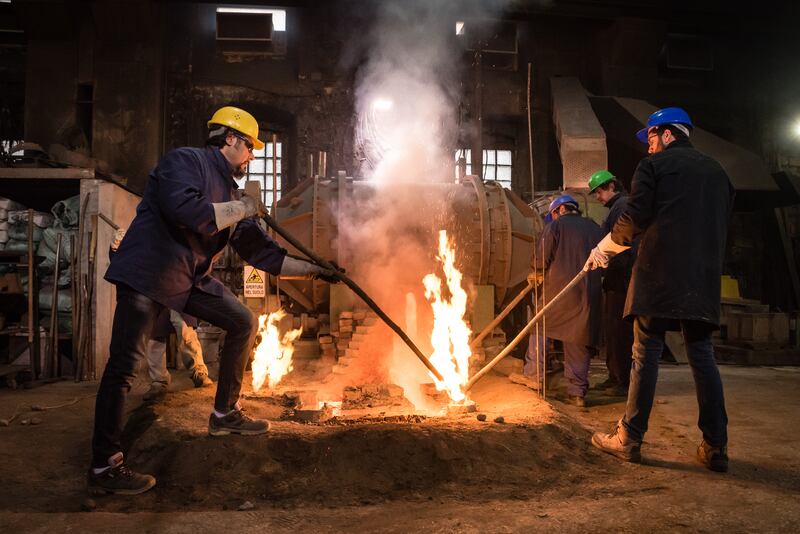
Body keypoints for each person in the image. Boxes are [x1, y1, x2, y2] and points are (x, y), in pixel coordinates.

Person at [88, 106, 340, 496]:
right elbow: (186, 211)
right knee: (124, 366)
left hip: (189, 278)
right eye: (251, 147)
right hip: (147, 271)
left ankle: (224, 414)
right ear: (230, 140)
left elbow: (263, 255)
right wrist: (243, 208)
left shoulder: (233, 194)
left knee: (242, 321)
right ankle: (105, 465)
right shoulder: (184, 162)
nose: (254, 155)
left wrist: (314, 269)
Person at [585, 107, 734, 472]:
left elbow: (635, 217)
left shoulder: (653, 167)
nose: (648, 145)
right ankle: (715, 445)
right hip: (701, 278)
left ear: (668, 134)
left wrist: (605, 247)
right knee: (702, 354)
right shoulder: (718, 173)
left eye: (651, 136)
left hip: (658, 275)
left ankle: (629, 437)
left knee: (645, 352)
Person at [516, 195, 603, 407]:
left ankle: (534, 376)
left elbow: (542, 255)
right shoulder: (594, 228)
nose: (553, 217)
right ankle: (577, 392)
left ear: (560, 209)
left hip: (558, 291)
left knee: (540, 327)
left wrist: (536, 271)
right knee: (577, 337)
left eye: (553, 214)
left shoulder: (556, 227)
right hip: (587, 293)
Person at [588, 170, 635, 397]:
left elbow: (622, 244)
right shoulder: (618, 207)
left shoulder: (622, 206)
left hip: (622, 279)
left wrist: (607, 262)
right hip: (617, 278)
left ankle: (622, 381)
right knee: (614, 330)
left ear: (611, 186)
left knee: (619, 331)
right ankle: (615, 376)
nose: (597, 197)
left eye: (598, 192)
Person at [143, 309, 213, 403]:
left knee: (183, 327)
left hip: (178, 296)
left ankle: (198, 371)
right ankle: (159, 380)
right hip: (154, 296)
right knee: (154, 331)